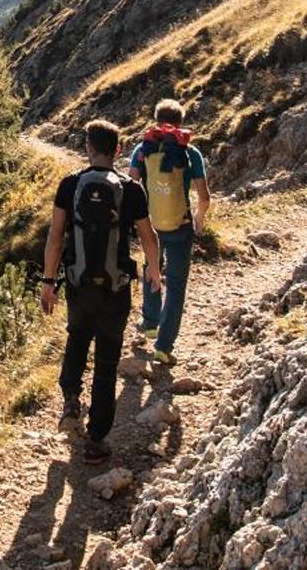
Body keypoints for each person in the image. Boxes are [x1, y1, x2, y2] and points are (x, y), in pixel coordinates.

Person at [41, 119, 162, 465]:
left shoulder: (70, 184)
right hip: (115, 287)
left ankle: (70, 400)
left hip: (78, 284)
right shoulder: (131, 189)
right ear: (118, 150)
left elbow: (55, 237)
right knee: (107, 361)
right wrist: (154, 270)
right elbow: (148, 237)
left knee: (76, 338)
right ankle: (95, 441)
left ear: (88, 148)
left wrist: (49, 283)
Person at [129, 99, 212, 367]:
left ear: (156, 119)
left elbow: (131, 185)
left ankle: (150, 322)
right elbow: (204, 196)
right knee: (176, 284)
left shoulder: (143, 149)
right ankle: (164, 347)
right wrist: (199, 219)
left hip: (151, 224)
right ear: (181, 122)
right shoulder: (190, 152)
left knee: (151, 266)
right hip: (181, 224)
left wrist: (138, 221)